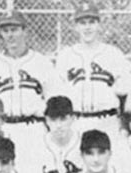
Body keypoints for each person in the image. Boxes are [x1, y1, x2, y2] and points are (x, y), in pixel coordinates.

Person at [0, 10, 64, 143]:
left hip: (34, 127)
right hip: (4, 128)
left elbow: (55, 101)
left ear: (25, 31)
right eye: (6, 31)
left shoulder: (41, 62)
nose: (10, 35)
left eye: (14, 30)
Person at [55, 3, 131, 141]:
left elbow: (125, 93)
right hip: (75, 122)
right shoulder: (65, 56)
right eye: (82, 23)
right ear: (76, 27)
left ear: (99, 25)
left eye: (92, 22)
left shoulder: (114, 54)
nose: (87, 27)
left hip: (108, 121)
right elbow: (57, 95)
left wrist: (125, 126)